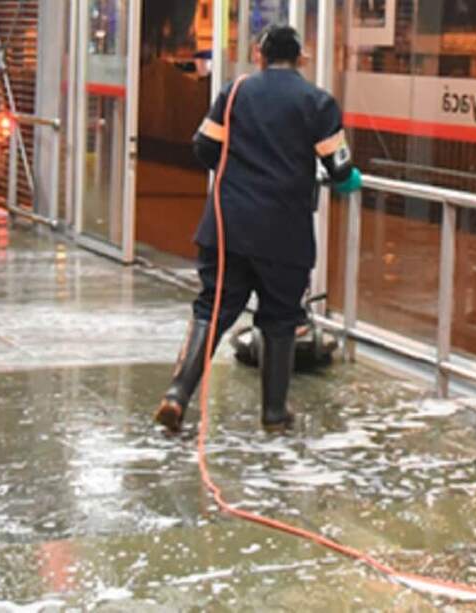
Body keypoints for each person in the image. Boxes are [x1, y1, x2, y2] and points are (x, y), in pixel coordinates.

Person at [153, 25, 362, 433]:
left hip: (227, 227)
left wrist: (241, 177)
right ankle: (274, 414)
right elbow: (339, 168)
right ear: (301, 58)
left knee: (211, 308)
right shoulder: (318, 103)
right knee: (281, 318)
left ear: (258, 54)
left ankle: (177, 395)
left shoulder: (233, 93)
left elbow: (204, 148)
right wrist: (349, 179)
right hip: (284, 234)